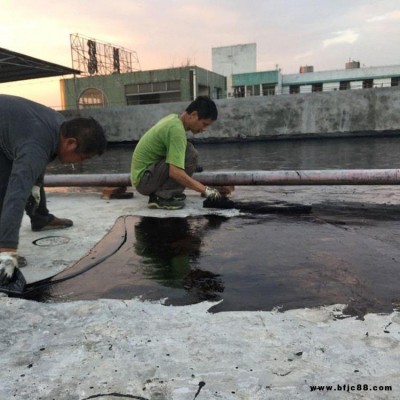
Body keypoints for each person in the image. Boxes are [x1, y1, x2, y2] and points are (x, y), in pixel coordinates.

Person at [0, 95, 107, 285]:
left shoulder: (59, 128)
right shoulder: (36, 144)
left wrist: (34, 186)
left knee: (30, 178)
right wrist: (7, 252)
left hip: (10, 128)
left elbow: (40, 161)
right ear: (71, 143)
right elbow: (16, 195)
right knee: (9, 187)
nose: (81, 163)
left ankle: (40, 218)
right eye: (83, 158)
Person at [131, 96, 221, 210]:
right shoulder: (177, 131)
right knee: (191, 155)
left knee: (187, 149)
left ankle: (165, 193)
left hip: (144, 176)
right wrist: (206, 190)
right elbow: (175, 172)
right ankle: (163, 197)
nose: (205, 129)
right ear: (193, 115)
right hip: (144, 181)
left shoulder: (173, 119)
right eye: (204, 124)